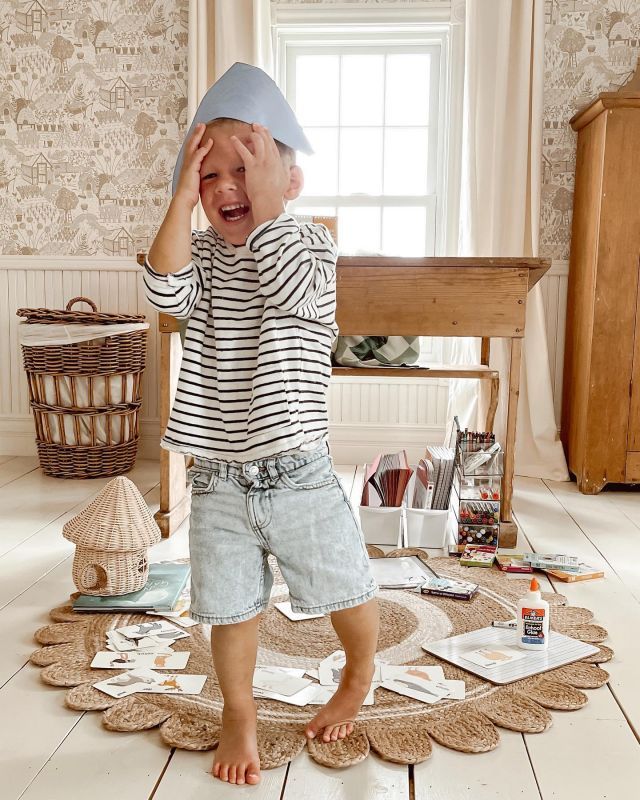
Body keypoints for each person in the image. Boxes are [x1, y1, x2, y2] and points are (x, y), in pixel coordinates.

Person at [143, 63, 379, 787]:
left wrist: (271, 210)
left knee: (345, 584)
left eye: (247, 167)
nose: (226, 187)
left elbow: (282, 283)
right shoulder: (206, 256)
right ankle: (238, 711)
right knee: (232, 605)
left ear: (290, 183)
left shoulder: (308, 245)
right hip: (216, 472)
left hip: (298, 467)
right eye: (210, 174)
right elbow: (162, 287)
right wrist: (180, 204)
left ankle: (361, 670)